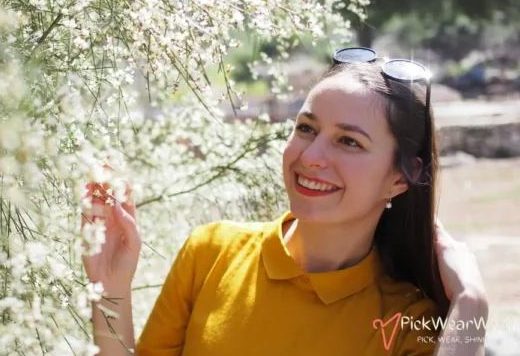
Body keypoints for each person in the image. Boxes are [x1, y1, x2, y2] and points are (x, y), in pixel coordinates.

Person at [80, 48, 489, 356]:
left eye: (349, 141)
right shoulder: (209, 254)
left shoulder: (407, 323)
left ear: (402, 177)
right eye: (307, 128)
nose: (310, 157)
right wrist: (110, 288)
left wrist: (471, 306)